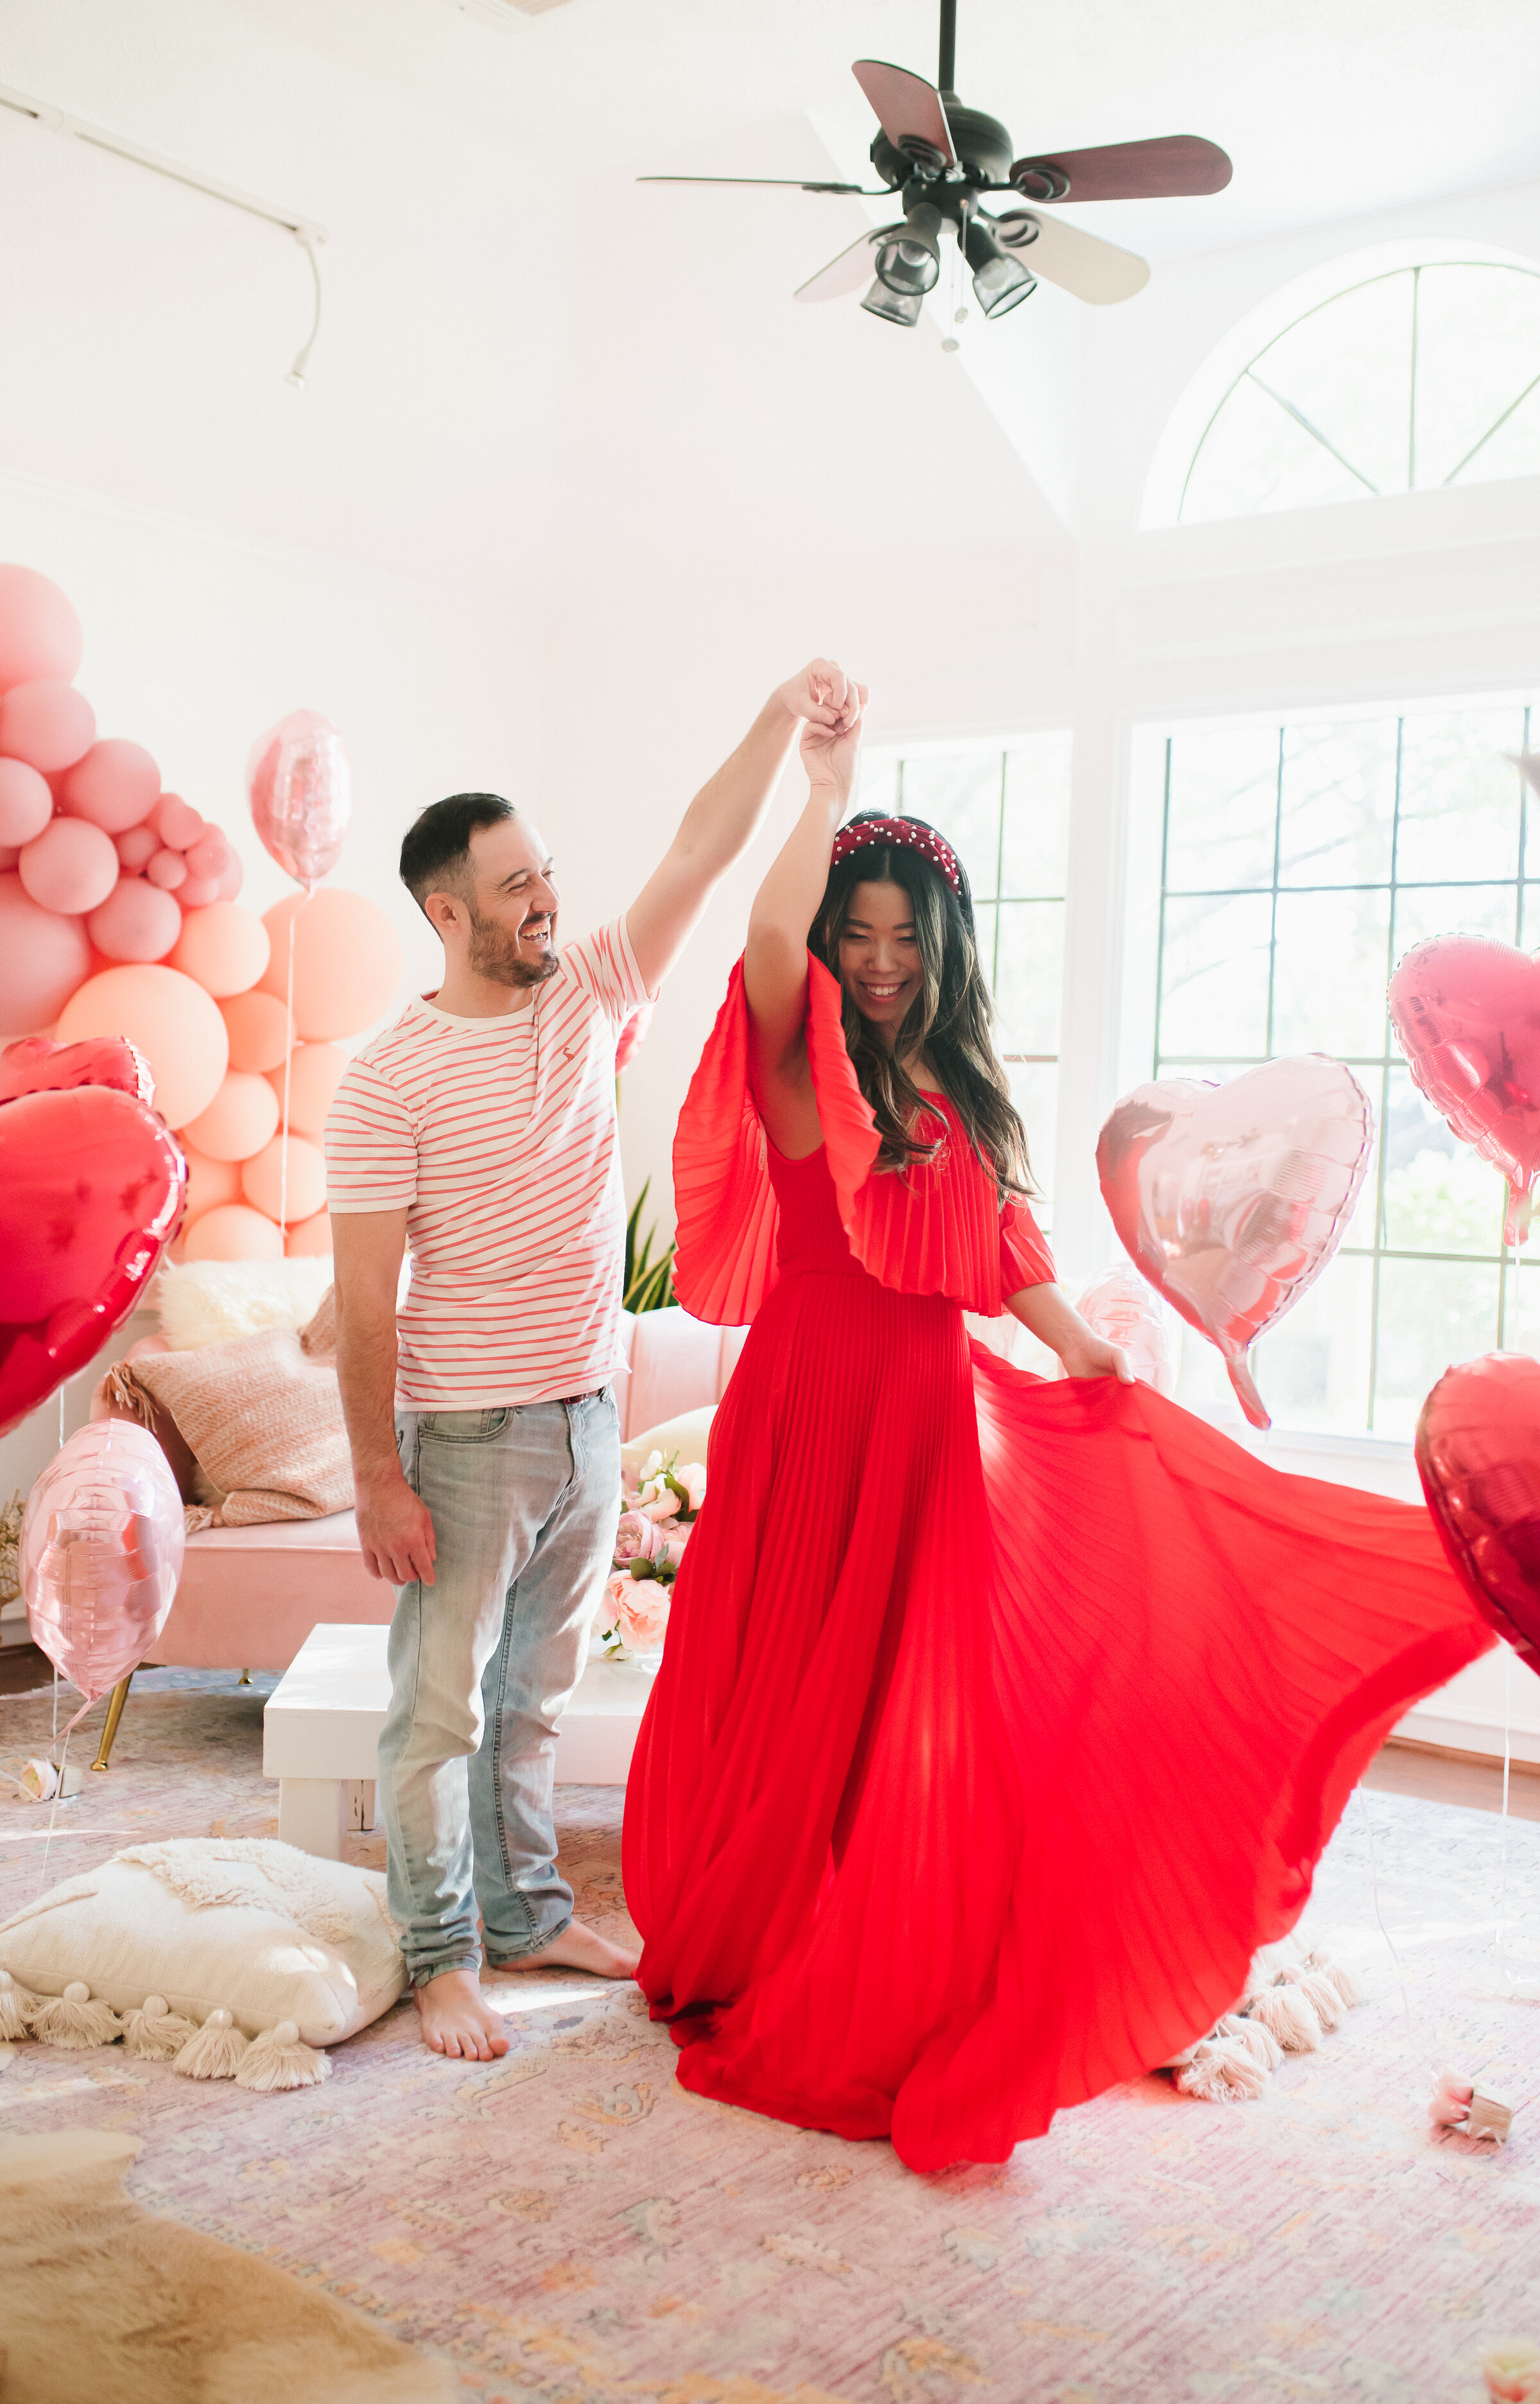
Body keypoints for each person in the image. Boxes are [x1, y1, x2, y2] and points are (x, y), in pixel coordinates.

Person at [622, 691, 1492, 2172]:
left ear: (941, 950)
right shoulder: (794, 1056)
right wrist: (821, 787)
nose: (880, 962)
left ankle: (874, 1924)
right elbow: (767, 944)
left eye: (906, 938)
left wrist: (1093, 1350)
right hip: (803, 1400)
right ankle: (762, 1931)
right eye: (861, 935)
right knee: (787, 1677)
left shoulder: (957, 1094)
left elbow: (1005, 1251)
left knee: (915, 1695)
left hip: (922, 1410)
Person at [324, 659, 864, 2063]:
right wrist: (377, 1479)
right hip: (462, 1431)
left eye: (544, 872)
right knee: (435, 1713)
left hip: (583, 1414)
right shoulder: (385, 1077)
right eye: (512, 886)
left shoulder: (586, 997)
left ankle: (526, 1914)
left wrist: (781, 726)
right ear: (444, 912)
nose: (542, 900)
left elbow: (699, 844)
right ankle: (442, 1956)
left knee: (534, 1698)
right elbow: (365, 1301)